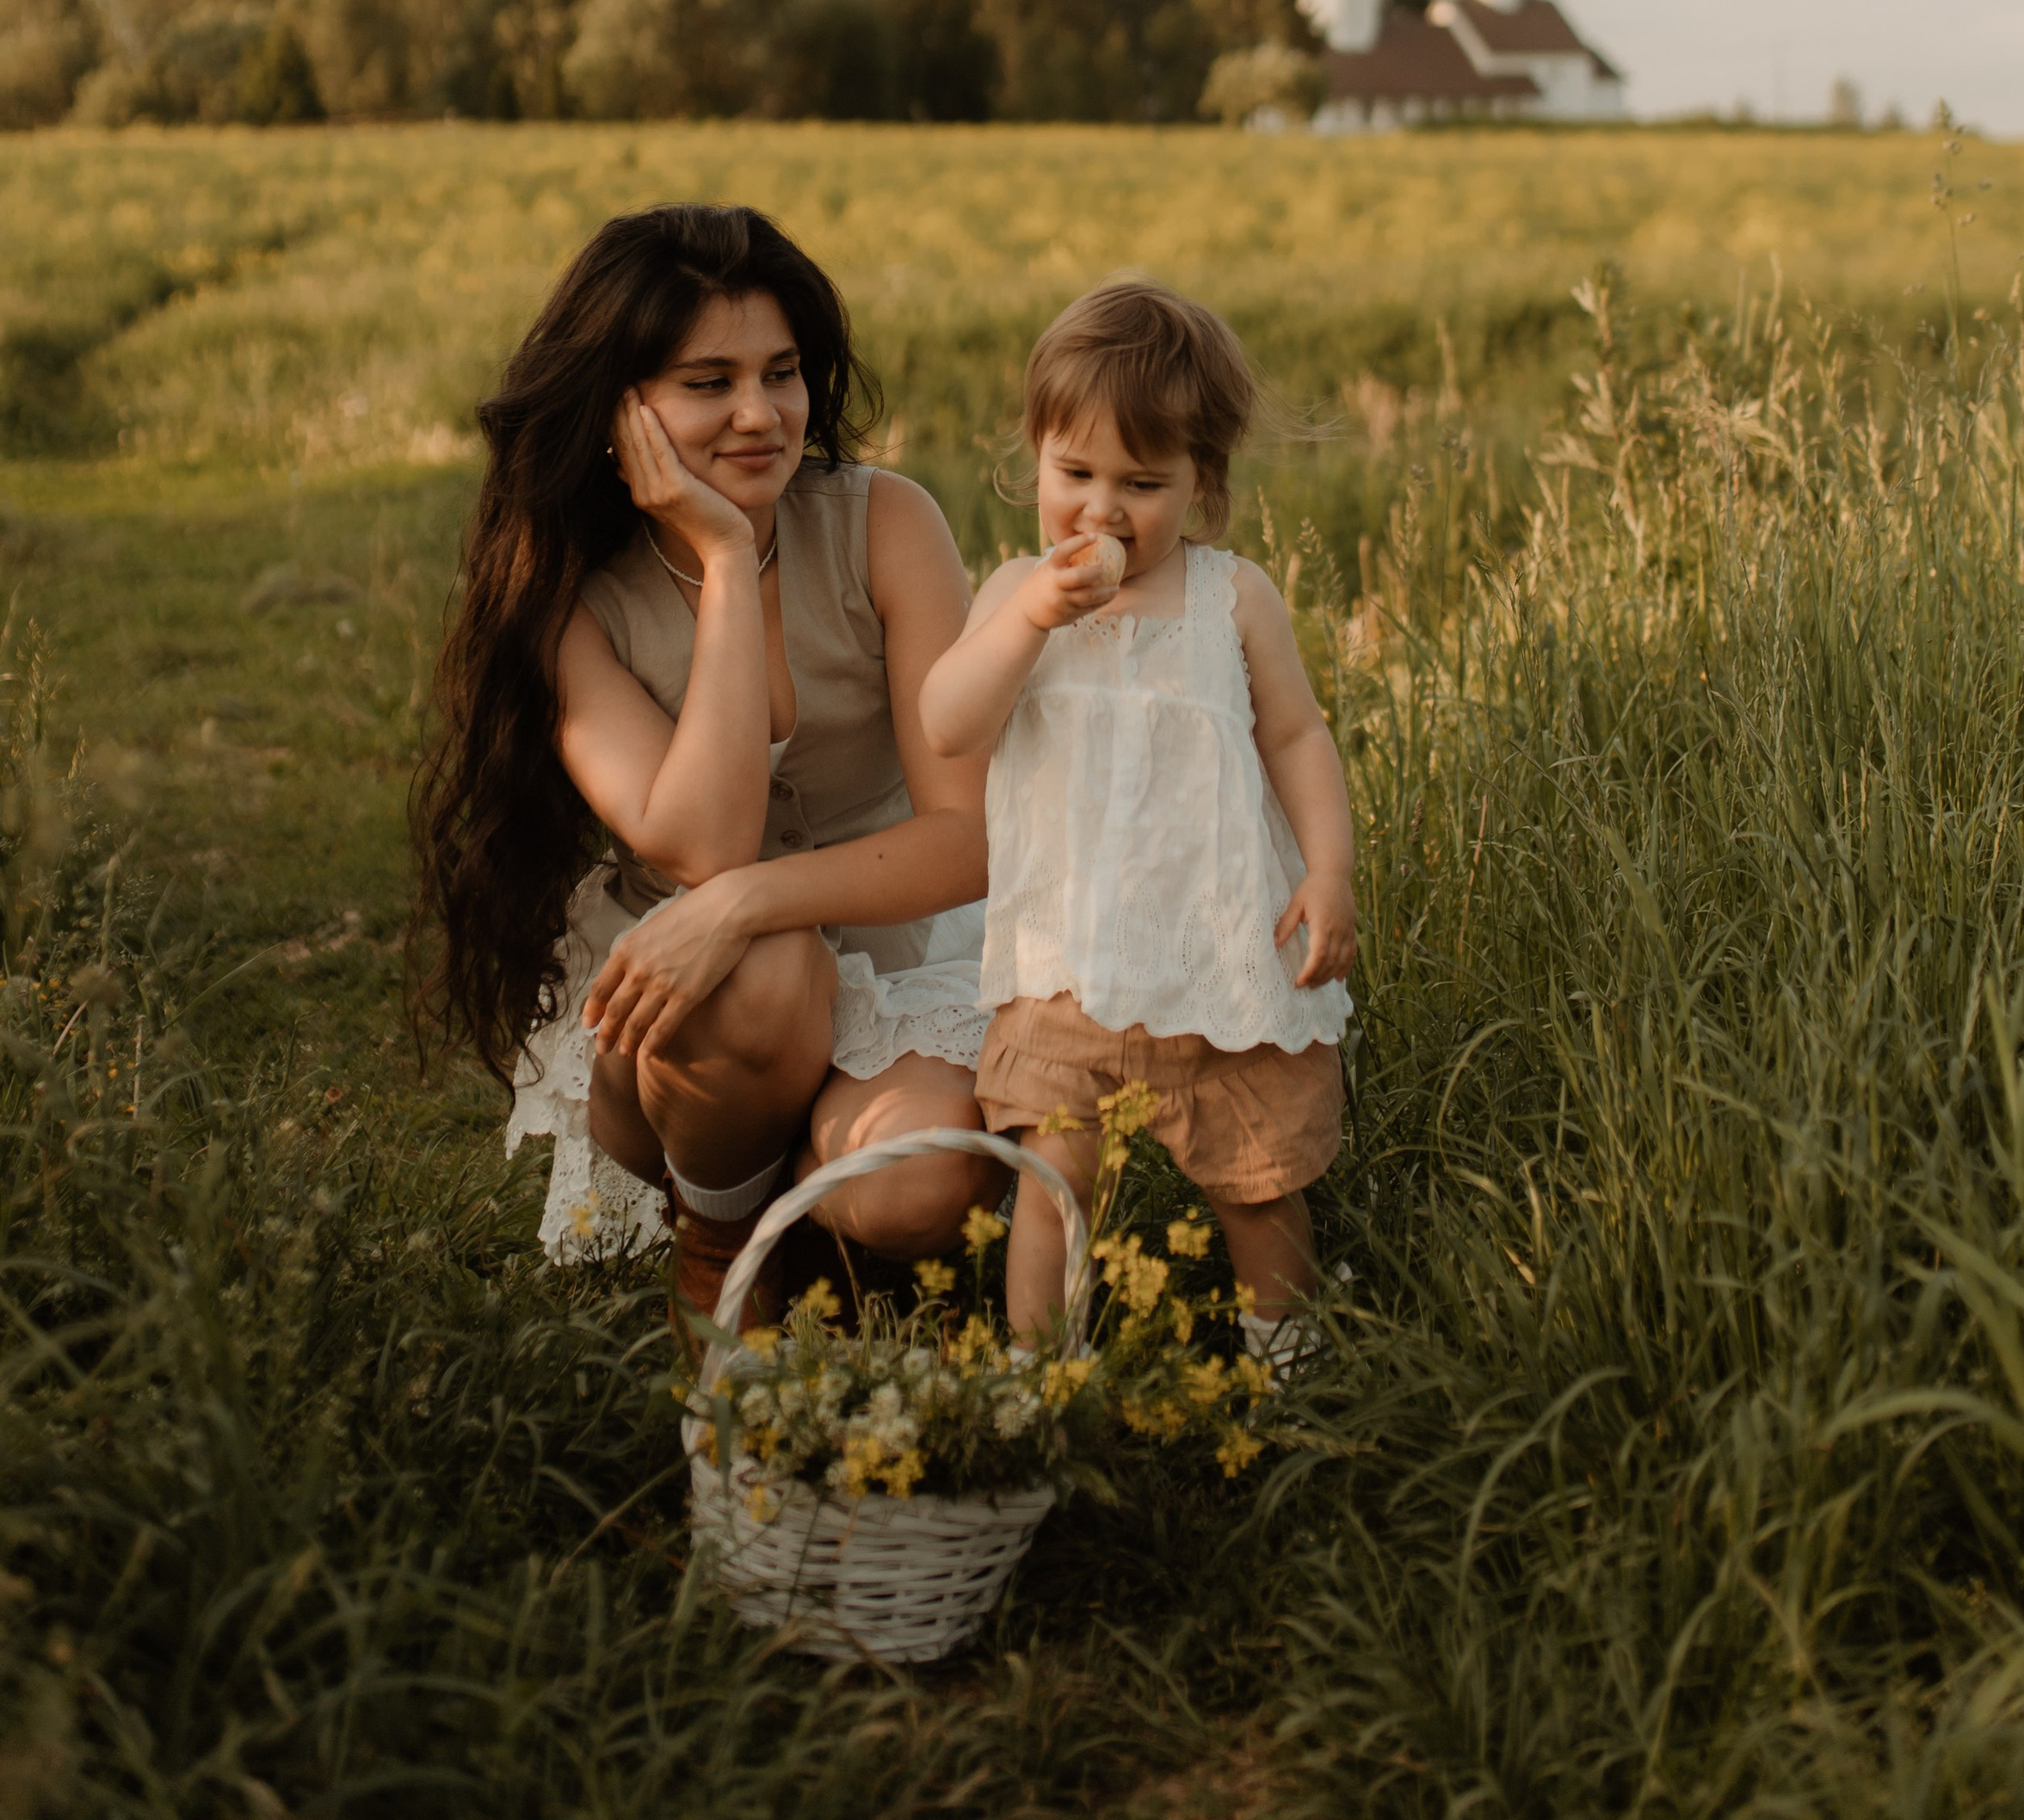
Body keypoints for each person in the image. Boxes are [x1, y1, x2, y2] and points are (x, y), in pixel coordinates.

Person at [414, 201, 997, 1330]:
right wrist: (727, 556)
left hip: (897, 960)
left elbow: (964, 836)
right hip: (689, 1022)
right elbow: (704, 846)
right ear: (616, 406)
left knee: (917, 1186)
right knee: (761, 966)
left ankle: (821, 1225)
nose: (759, 414)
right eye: (706, 382)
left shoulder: (889, 527)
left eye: (781, 373)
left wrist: (746, 904)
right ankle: (722, 1257)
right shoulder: (564, 602)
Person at [919, 281, 1355, 1363]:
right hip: (1066, 966)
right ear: (1035, 461)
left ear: (1201, 486)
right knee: (1051, 1186)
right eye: (1074, 475)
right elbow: (946, 725)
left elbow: (1297, 737)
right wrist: (1024, 618)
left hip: (1216, 961)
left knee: (1257, 1185)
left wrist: (1330, 870)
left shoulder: (1230, 598)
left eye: (1142, 484)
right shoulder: (1017, 594)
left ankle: (1283, 1356)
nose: (1101, 512)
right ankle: (1036, 1373)